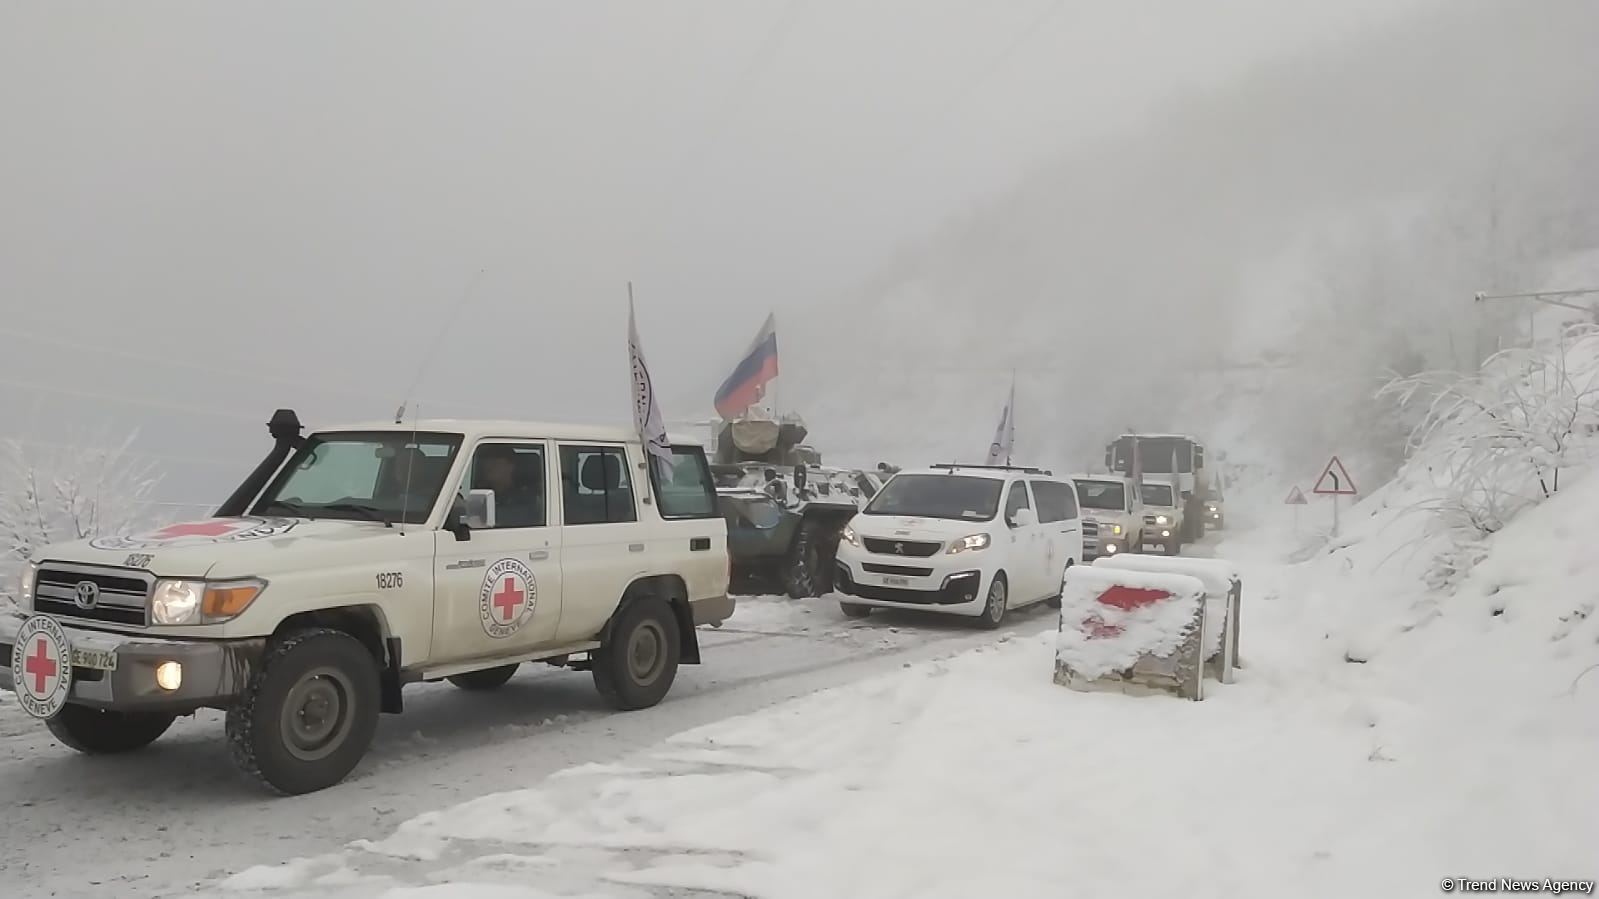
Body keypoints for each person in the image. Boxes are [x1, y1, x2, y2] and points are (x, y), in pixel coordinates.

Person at [476, 445, 545, 528]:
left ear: (511, 465)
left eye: (496, 459)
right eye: (486, 459)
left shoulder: (525, 498)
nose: (489, 464)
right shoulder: (481, 495)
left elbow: (513, 518)